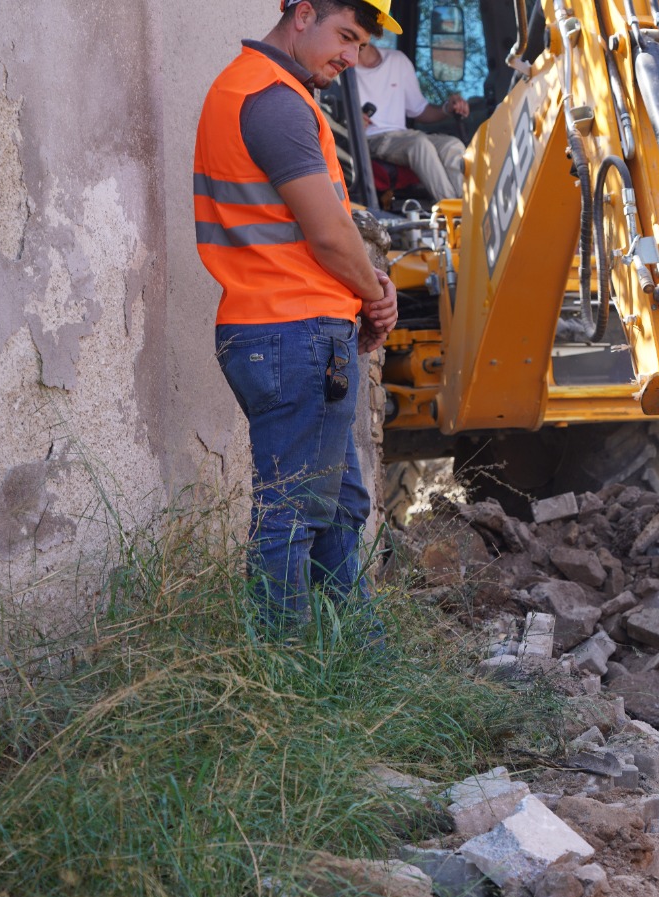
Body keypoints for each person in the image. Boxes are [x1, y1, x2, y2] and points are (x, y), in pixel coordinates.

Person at [193, 0, 401, 626]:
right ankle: (280, 676)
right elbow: (332, 237)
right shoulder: (274, 101)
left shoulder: (263, 90)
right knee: (293, 513)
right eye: (345, 36)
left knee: (336, 509)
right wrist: (374, 292)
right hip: (293, 333)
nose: (351, 56)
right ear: (302, 13)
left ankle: (359, 660)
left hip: (285, 330)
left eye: (361, 44)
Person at [354, 40, 470, 203]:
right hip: (370, 139)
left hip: (402, 136)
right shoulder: (340, 65)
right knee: (419, 145)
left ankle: (469, 208)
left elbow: (419, 110)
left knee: (452, 145)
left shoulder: (397, 60)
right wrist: (351, 120)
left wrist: (447, 108)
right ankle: (454, 212)